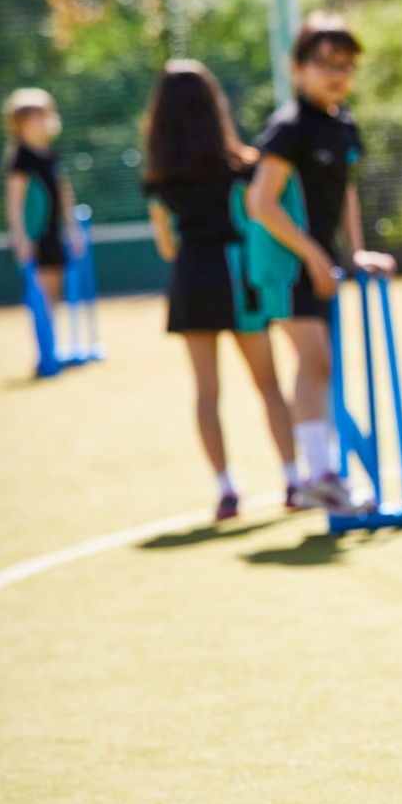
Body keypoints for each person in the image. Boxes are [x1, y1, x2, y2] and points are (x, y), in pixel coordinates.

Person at [246, 13, 394, 514]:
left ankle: (324, 472)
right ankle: (319, 477)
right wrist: (312, 255)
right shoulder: (288, 128)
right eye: (325, 64)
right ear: (297, 69)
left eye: (346, 65)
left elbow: (344, 192)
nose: (336, 74)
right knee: (316, 362)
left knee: (322, 364)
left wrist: (355, 251)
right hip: (283, 263)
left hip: (315, 262)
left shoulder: (343, 123)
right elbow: (260, 203)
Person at [141, 61, 300, 520]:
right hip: (237, 279)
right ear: (215, 107)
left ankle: (226, 489)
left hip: (191, 280)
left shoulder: (158, 178)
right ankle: (293, 479)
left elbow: (167, 245)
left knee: (205, 392)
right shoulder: (242, 166)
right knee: (268, 384)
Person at [2, 87, 82, 367]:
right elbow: (14, 202)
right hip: (36, 236)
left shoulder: (50, 155)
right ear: (19, 125)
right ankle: (45, 356)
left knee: (55, 291)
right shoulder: (21, 158)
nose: (38, 123)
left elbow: (64, 193)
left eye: (42, 116)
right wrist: (21, 238)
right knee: (41, 293)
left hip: (54, 233)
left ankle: (52, 349)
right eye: (31, 119)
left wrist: (73, 230)